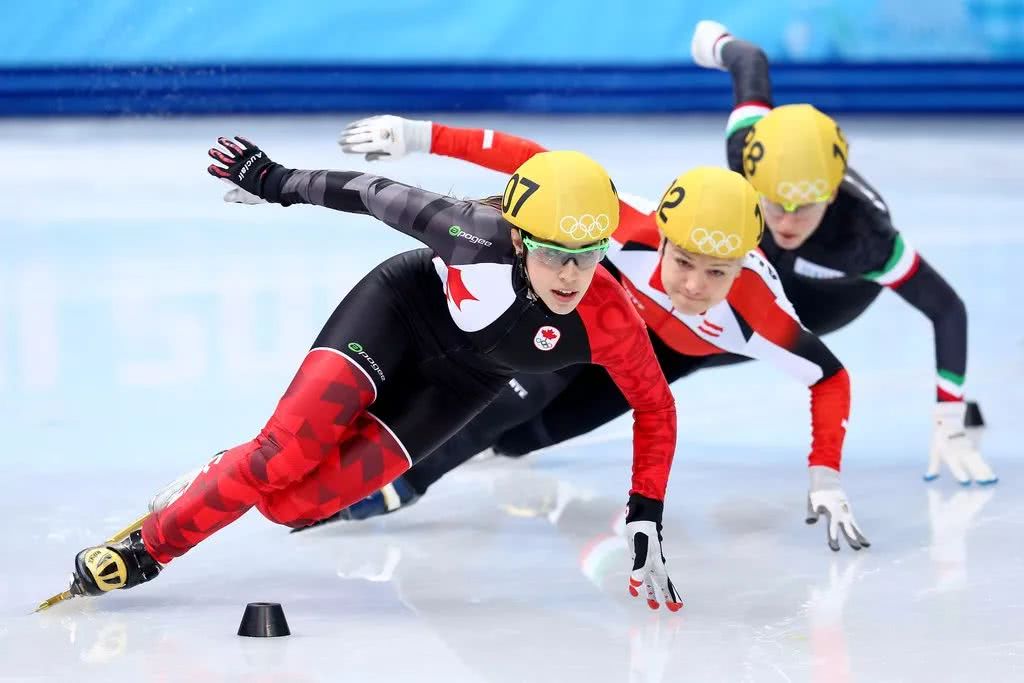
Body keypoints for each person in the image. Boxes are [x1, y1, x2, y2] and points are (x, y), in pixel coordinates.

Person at [57, 138, 683, 611]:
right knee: (280, 456)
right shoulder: (473, 234)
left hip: (461, 384)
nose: (572, 276)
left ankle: (227, 466)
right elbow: (371, 192)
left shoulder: (610, 320)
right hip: (397, 315)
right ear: (519, 238)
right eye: (553, 253)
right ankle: (147, 550)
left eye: (588, 255)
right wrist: (277, 180)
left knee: (291, 506)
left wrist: (644, 513)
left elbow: (655, 408)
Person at [298, 126, 871, 550]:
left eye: (717, 273)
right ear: (664, 240)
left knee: (527, 438)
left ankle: (459, 447)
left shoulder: (763, 315)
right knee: (509, 399)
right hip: (599, 320)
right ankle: (391, 482)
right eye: (684, 263)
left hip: (664, 359)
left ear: (744, 264)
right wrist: (421, 136)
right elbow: (535, 164)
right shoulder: (628, 226)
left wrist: (825, 473)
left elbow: (830, 377)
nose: (694, 287)